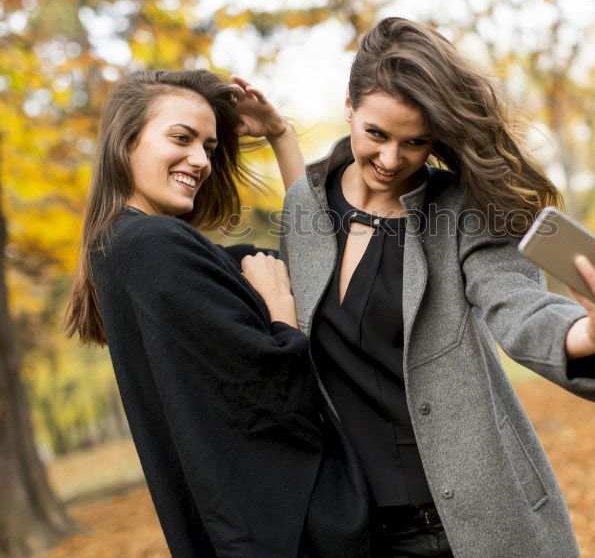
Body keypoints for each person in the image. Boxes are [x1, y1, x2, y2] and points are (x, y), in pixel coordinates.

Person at [279, 18, 595, 557]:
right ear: (349, 108)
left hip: (481, 522)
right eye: (376, 135)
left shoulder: (460, 210)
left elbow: (517, 306)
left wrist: (594, 330)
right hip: (360, 532)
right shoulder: (304, 207)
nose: (390, 160)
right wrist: (277, 134)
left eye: (415, 143)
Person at [64, 69, 369, 557]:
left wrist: (279, 136)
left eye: (208, 146)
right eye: (181, 138)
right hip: (288, 529)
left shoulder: (129, 247)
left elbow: (316, 260)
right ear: (126, 144)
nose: (201, 160)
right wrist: (280, 313)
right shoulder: (153, 245)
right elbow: (270, 390)